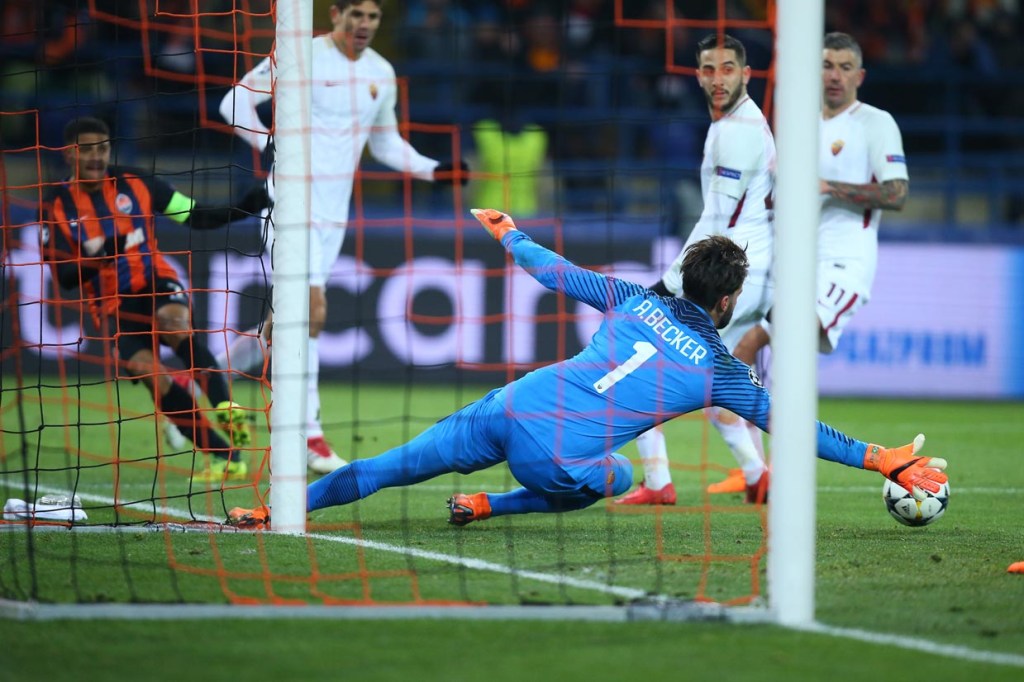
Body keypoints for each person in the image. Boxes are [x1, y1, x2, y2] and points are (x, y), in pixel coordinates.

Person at [227, 209, 948, 530]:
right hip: (552, 456)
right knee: (622, 478)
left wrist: (511, 234)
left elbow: (556, 273)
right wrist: (878, 458)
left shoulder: (636, 299)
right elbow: (794, 425)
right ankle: (494, 505)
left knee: (390, 464)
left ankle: (274, 510)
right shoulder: (723, 374)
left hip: (513, 402)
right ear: (727, 300)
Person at [217, 0, 468, 476]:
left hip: (333, 217)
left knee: (284, 321)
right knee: (310, 313)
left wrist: (435, 170)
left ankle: (204, 379)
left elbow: (384, 143)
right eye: (357, 15)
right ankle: (309, 436)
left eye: (373, 18)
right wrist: (268, 141)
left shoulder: (380, 72)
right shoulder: (300, 53)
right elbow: (234, 102)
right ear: (335, 13)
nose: (365, 25)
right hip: (287, 203)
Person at [42, 116, 268, 483]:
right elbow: (65, 277)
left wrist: (245, 205)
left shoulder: (136, 183)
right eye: (88, 150)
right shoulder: (53, 205)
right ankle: (226, 456)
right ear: (70, 154)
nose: (97, 158)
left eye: (103, 149)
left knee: (173, 322)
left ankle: (226, 405)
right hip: (113, 304)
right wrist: (104, 253)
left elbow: (193, 215)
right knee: (151, 375)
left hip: (155, 281)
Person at [730, 32, 910, 474]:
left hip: (844, 263)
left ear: (860, 76)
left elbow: (897, 192)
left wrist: (829, 186)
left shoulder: (875, 123)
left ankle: (770, 471)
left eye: (845, 67)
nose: (835, 75)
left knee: (758, 343)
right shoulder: (801, 125)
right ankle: (758, 470)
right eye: (827, 65)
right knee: (743, 353)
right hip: (794, 264)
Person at [616, 33, 776, 506]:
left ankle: (661, 481)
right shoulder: (737, 124)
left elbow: (716, 222)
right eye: (709, 69)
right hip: (748, 271)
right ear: (698, 74)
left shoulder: (737, 131)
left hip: (732, 276)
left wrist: (667, 282)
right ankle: (755, 473)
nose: (718, 77)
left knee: (643, 359)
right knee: (707, 377)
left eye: (728, 68)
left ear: (746, 75)